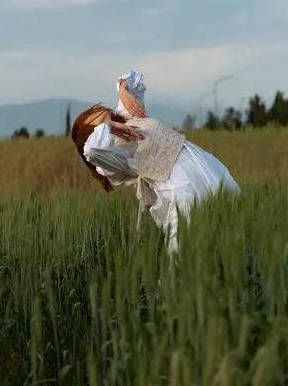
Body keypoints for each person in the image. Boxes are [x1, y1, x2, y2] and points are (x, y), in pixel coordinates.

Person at [71, 70, 240, 253]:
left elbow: (134, 77)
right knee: (190, 248)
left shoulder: (128, 113)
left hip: (202, 163)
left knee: (233, 223)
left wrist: (123, 92)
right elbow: (91, 150)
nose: (98, 115)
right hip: (180, 186)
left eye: (95, 113)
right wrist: (111, 126)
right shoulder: (110, 153)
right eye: (94, 123)